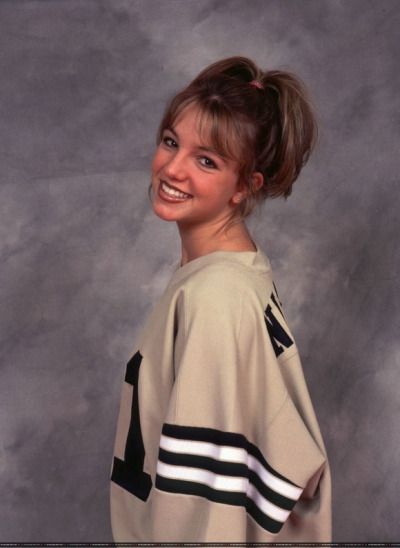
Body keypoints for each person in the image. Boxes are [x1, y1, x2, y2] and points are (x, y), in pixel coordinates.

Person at [109, 55, 332, 542]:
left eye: (206, 160)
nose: (172, 167)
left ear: (244, 187)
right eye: (171, 142)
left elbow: (206, 504)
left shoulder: (216, 298)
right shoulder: (230, 271)